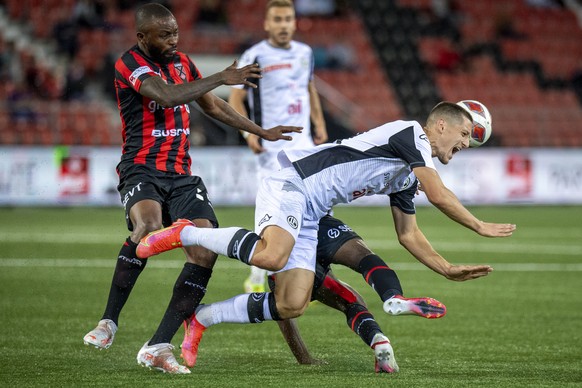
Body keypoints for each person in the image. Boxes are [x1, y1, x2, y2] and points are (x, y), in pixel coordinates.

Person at [137, 101, 517, 372]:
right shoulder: (411, 134)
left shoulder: (406, 174)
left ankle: (203, 317)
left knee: (291, 303)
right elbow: (438, 194)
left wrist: (446, 269)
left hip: (313, 210)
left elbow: (409, 234)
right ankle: (187, 232)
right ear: (440, 126)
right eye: (465, 135)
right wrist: (479, 226)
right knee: (271, 257)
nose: (465, 144)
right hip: (293, 183)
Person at [82, 2, 301, 375]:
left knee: (206, 246)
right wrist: (220, 76)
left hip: (182, 174)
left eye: (175, 33)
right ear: (142, 37)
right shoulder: (129, 64)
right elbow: (165, 96)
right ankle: (108, 322)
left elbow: (212, 107)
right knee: (148, 228)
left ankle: (159, 344)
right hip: (141, 169)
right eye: (164, 34)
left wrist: (260, 131)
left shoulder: (183, 61)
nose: (173, 40)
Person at [227, 0, 328, 294]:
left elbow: (309, 88)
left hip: (305, 144)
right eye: (278, 20)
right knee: (272, 212)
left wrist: (319, 123)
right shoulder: (255, 54)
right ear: (267, 24)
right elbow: (236, 98)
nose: (283, 25)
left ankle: (309, 275)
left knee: (314, 209)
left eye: (288, 19)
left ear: (294, 23)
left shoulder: (305, 53)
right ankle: (258, 276)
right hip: (273, 147)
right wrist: (250, 134)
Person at [274, 214, 446, 373]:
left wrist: (304, 358)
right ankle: (389, 305)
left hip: (285, 241)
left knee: (283, 307)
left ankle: (379, 339)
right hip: (321, 224)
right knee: (361, 269)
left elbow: (283, 316)